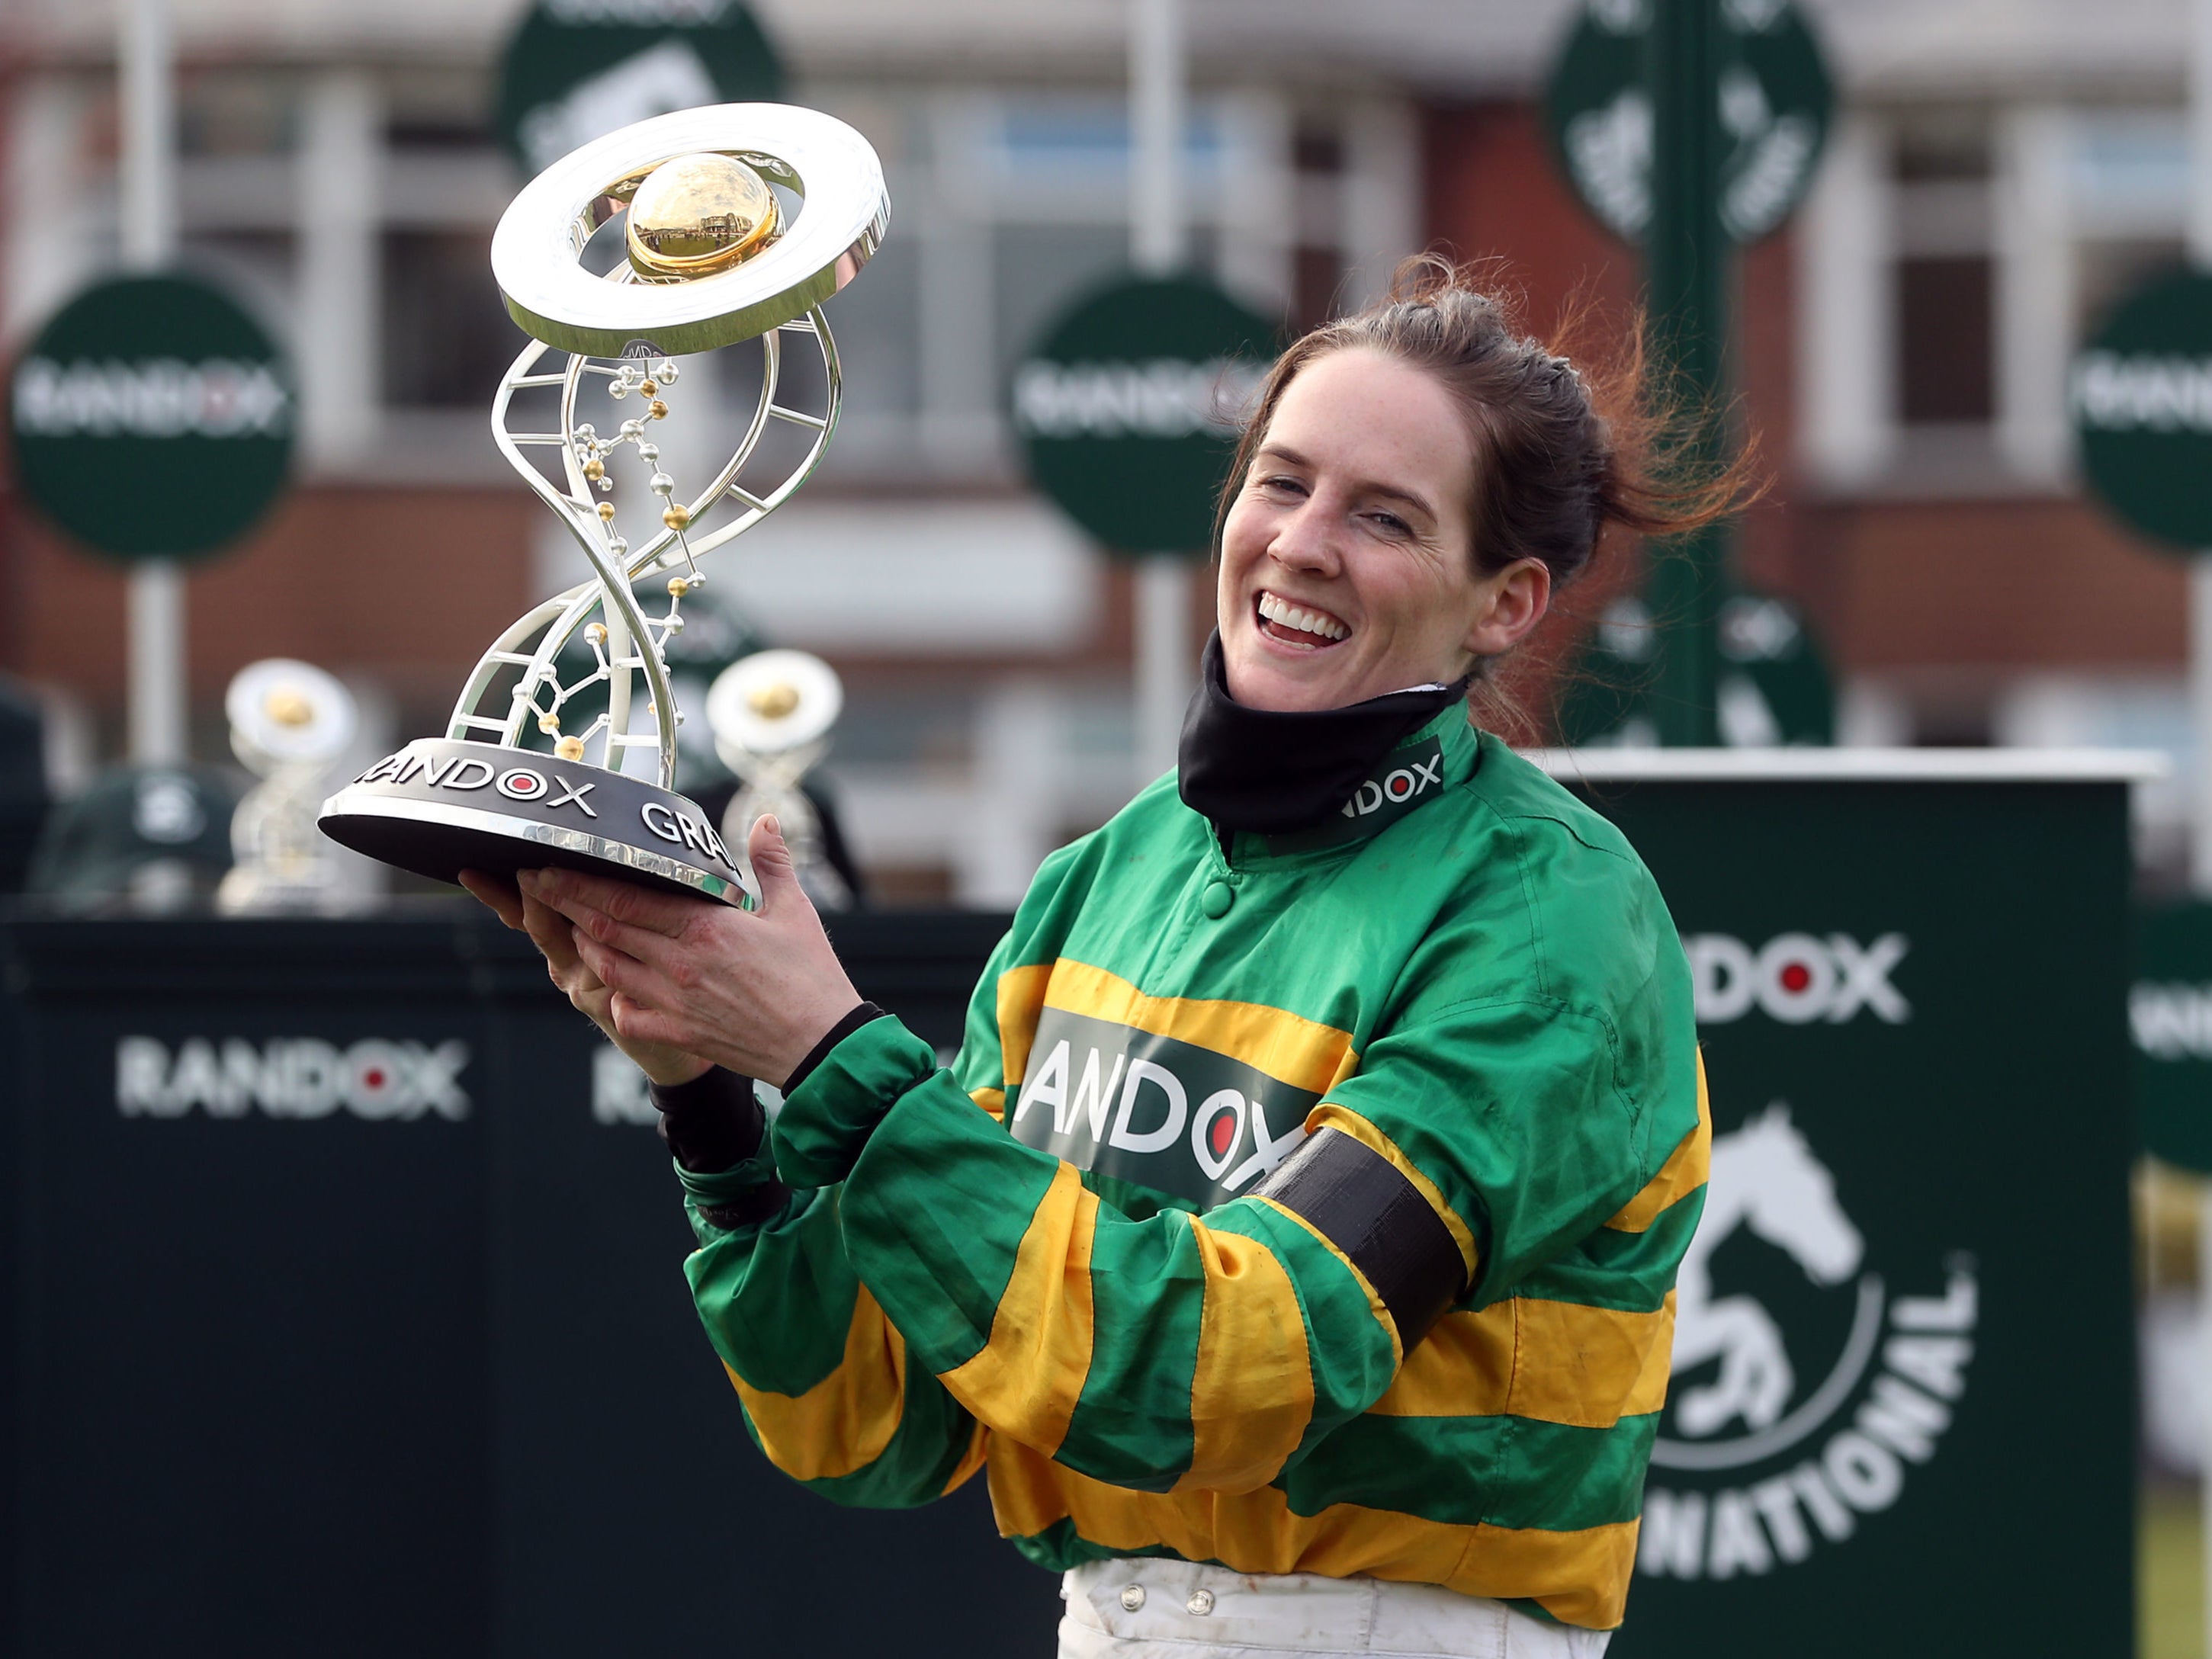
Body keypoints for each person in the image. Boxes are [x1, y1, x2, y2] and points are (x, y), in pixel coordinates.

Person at [464, 258, 1738, 1659]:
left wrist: (829, 1056)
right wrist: (706, 1095)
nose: (1303, 544)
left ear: (1502, 603)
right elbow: (877, 1423)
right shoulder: (1108, 875)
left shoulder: (1547, 916)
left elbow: (1217, 1381)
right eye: (1281, 481)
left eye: (1384, 516)